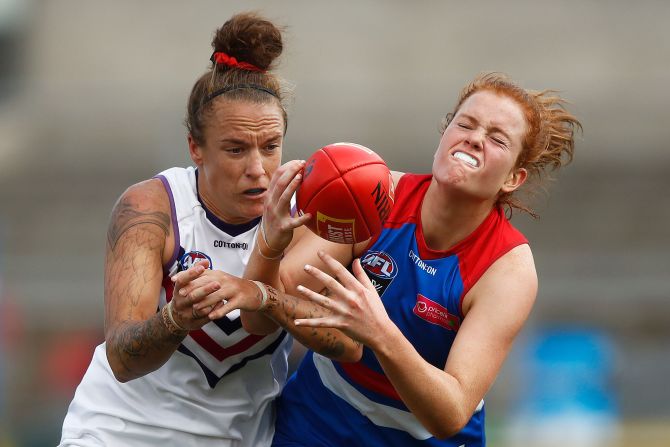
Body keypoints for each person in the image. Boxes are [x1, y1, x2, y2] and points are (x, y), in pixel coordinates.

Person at [222, 72, 581, 446]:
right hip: (321, 416)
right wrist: (271, 244)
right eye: (466, 124)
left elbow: (452, 413)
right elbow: (263, 314)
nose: (474, 139)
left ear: (513, 178)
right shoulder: (374, 196)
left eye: (496, 139)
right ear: (445, 134)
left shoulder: (507, 268)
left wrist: (380, 333)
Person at [59, 12, 360, 447]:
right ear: (195, 148)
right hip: (119, 433)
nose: (257, 170)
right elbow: (123, 358)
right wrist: (175, 317)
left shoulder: (309, 218)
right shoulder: (151, 207)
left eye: (270, 146)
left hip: (237, 438)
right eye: (236, 149)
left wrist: (264, 295)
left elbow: (349, 344)